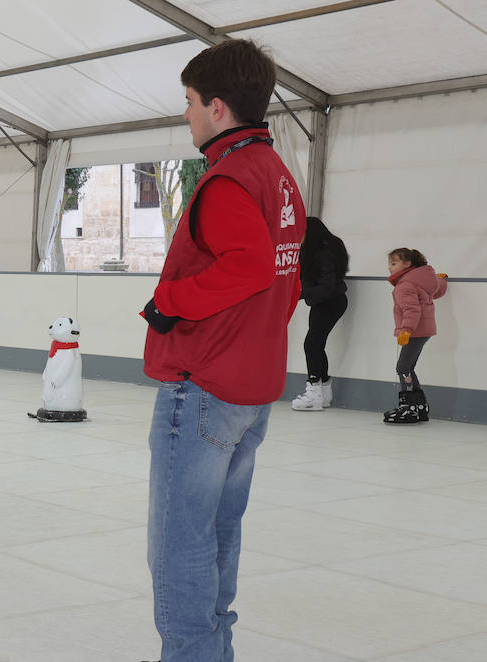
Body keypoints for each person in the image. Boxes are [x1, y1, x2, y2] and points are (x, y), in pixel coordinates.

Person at [137, 39, 305, 662]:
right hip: (251, 386)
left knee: (179, 544)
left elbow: (252, 267)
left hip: (203, 388)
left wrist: (172, 302)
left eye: (187, 103)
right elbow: (286, 279)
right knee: (216, 535)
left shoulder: (229, 178)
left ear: (217, 108)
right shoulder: (278, 176)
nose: (184, 115)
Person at [382, 248, 448, 424]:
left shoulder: (405, 284)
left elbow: (411, 309)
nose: (389, 267)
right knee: (408, 367)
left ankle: (408, 407)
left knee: (402, 368)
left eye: (393, 263)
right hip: (424, 330)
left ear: (407, 264)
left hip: (414, 331)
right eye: (389, 263)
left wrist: (406, 329)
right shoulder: (423, 280)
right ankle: (419, 406)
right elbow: (438, 289)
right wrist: (442, 280)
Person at [291, 217, 349, 411]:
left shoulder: (322, 253)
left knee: (312, 343)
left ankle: (314, 390)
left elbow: (326, 285)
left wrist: (301, 294)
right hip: (326, 302)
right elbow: (302, 278)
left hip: (329, 302)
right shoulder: (317, 251)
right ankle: (323, 390)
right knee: (316, 343)